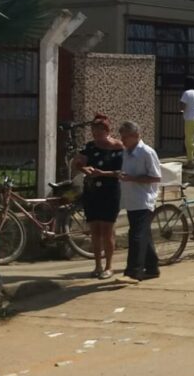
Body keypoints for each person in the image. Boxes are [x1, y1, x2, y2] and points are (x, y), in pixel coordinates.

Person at [71, 114, 124, 279]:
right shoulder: (90, 147)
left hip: (110, 190)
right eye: (93, 132)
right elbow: (78, 161)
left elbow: (123, 172)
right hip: (92, 190)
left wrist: (104, 173)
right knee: (94, 230)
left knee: (107, 230)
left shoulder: (118, 148)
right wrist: (84, 169)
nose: (95, 135)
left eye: (98, 132)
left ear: (106, 131)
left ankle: (108, 266)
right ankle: (97, 265)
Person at [116, 121, 161, 281]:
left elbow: (156, 177)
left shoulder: (146, 152)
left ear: (135, 136)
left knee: (136, 235)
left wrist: (133, 178)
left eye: (125, 137)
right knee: (144, 235)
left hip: (144, 200)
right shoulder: (126, 153)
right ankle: (152, 267)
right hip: (131, 199)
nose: (123, 140)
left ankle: (133, 271)